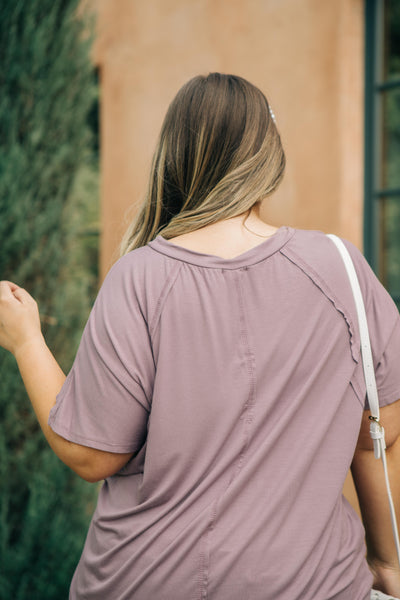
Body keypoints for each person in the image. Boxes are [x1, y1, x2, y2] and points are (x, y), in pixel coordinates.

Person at [1, 72, 400, 600]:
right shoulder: (341, 268)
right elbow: (379, 434)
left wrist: (27, 341)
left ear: (173, 158)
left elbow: (91, 454)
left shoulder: (138, 277)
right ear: (268, 158)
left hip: (145, 582)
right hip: (316, 586)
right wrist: (387, 562)